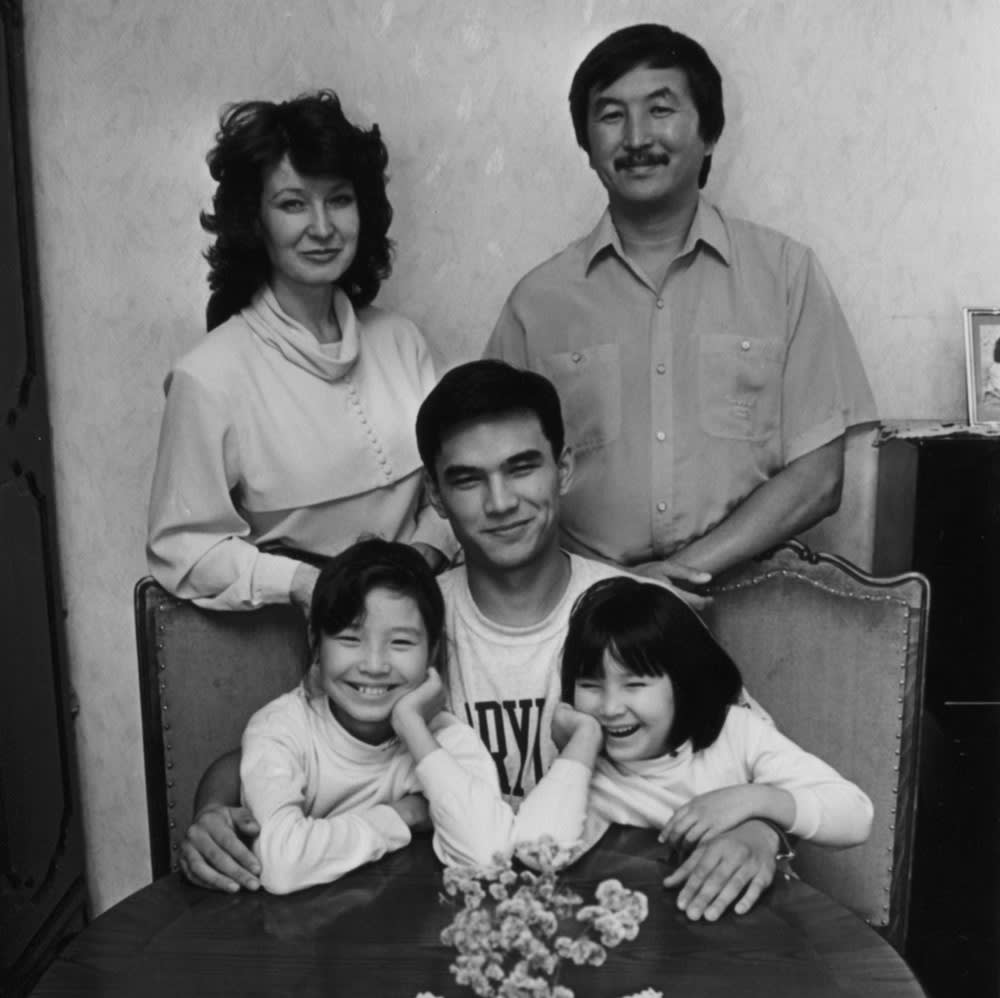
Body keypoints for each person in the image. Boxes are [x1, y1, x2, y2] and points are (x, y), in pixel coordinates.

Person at [182, 361, 788, 923]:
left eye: (522, 468)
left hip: (624, 914)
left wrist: (760, 833)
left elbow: (759, 756)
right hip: (435, 924)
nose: (500, 503)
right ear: (435, 495)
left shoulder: (638, 611)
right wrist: (213, 812)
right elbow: (290, 747)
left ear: (563, 468)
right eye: (468, 480)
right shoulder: (401, 628)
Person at [485, 23, 877, 591]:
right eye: (611, 115)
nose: (636, 136)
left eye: (660, 109)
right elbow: (496, 470)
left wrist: (671, 578)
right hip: (588, 605)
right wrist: (614, 589)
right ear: (586, 145)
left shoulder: (786, 274)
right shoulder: (536, 302)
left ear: (709, 133)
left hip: (753, 597)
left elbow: (819, 478)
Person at [147, 90, 453, 612]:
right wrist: (300, 583)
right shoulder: (208, 376)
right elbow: (184, 549)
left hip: (419, 616)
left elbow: (451, 485)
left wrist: (425, 551)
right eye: (293, 204)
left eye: (339, 199)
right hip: (291, 634)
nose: (323, 228)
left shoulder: (402, 341)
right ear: (254, 220)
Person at [513, 577, 873, 914]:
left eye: (634, 685)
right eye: (590, 685)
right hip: (654, 937)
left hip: (758, 929)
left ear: (684, 683)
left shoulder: (736, 733)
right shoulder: (586, 773)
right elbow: (535, 853)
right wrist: (579, 748)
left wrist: (753, 800)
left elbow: (856, 814)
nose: (610, 708)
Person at [241, 538, 514, 894]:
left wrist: (412, 727)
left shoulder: (441, 739)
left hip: (408, 918)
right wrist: (402, 815)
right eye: (349, 639)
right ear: (315, 643)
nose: (374, 665)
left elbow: (489, 853)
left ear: (432, 652)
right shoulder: (281, 727)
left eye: (400, 643)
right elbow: (281, 865)